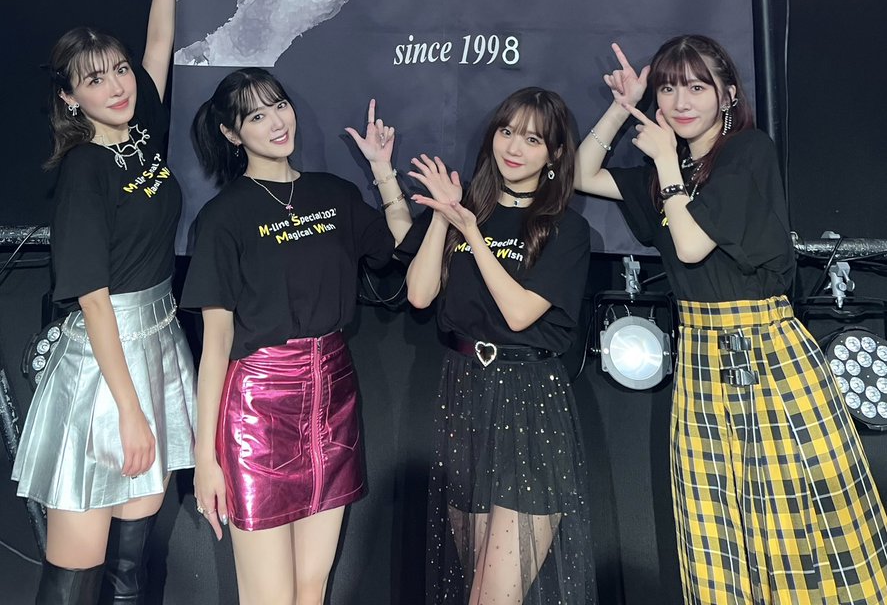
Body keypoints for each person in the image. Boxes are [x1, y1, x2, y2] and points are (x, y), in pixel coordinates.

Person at [575, 35, 887, 605]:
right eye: (668, 89)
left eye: (697, 87)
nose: (680, 102)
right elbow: (580, 173)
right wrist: (622, 108)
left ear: (728, 94)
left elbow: (691, 245)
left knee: (795, 519)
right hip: (699, 355)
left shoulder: (747, 152)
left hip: (767, 349)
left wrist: (665, 162)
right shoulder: (667, 171)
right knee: (714, 523)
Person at [12, 0, 197, 605]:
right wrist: (129, 411)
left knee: (131, 562)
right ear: (70, 98)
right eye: (95, 79)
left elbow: (160, 43)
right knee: (79, 564)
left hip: (156, 345)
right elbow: (91, 299)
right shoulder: (85, 169)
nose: (118, 85)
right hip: (104, 367)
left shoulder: (139, 132)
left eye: (118, 70)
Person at [181, 80, 412, 605]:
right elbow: (215, 345)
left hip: (333, 396)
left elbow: (402, 246)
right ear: (232, 134)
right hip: (259, 409)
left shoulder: (334, 194)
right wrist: (206, 459)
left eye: (279, 106)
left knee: (312, 588)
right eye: (256, 116)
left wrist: (382, 170)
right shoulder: (222, 218)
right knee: (270, 597)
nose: (276, 122)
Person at [398, 87, 594, 605]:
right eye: (507, 132)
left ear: (554, 154)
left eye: (532, 139)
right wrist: (445, 216)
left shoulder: (566, 229)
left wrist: (473, 234)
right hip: (465, 396)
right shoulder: (468, 214)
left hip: (530, 404)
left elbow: (519, 312)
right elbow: (419, 295)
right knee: (474, 588)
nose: (514, 147)